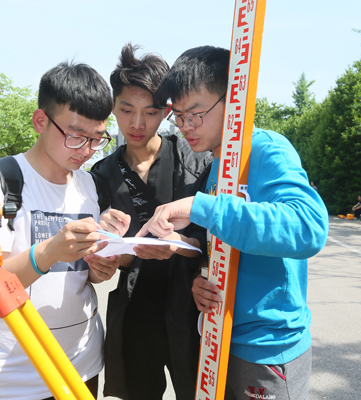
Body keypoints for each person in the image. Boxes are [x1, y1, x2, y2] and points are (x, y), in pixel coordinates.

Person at [137, 46, 329, 400]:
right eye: (179, 116)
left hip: (267, 347)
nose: (186, 127)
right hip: (220, 336)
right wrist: (203, 278)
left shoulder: (266, 149)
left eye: (196, 114)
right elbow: (229, 243)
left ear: (234, 100)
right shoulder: (217, 167)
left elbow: (308, 227)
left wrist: (202, 206)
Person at [0, 61, 130, 400]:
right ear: (40, 121)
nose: (86, 150)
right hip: (14, 376)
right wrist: (48, 252)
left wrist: (100, 267)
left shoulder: (91, 186)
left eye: (97, 139)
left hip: (82, 365)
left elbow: (83, 277)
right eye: (75, 136)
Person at [90, 43, 212, 400]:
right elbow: (111, 261)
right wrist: (111, 249)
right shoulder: (102, 175)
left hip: (191, 308)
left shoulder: (196, 161)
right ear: (113, 107)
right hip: (135, 311)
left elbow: (215, 239)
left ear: (167, 111)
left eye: (151, 112)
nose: (137, 123)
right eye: (126, 110)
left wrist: (181, 245)